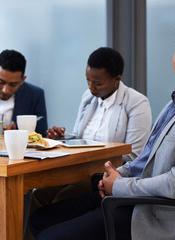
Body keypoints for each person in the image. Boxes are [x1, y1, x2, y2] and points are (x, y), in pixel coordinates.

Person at [29, 17, 175, 240]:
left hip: (150, 215)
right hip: (130, 199)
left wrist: (119, 185)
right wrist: (116, 176)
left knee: (50, 236)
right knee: (39, 219)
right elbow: (146, 159)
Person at [24, 47, 152, 240]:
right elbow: (80, 137)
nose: (91, 87)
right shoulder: (88, 97)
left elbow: (135, 155)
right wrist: (62, 137)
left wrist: (95, 159)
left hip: (103, 176)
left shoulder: (136, 103)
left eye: (98, 83)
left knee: (61, 199)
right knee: (38, 195)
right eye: (88, 80)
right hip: (78, 169)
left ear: (117, 79)